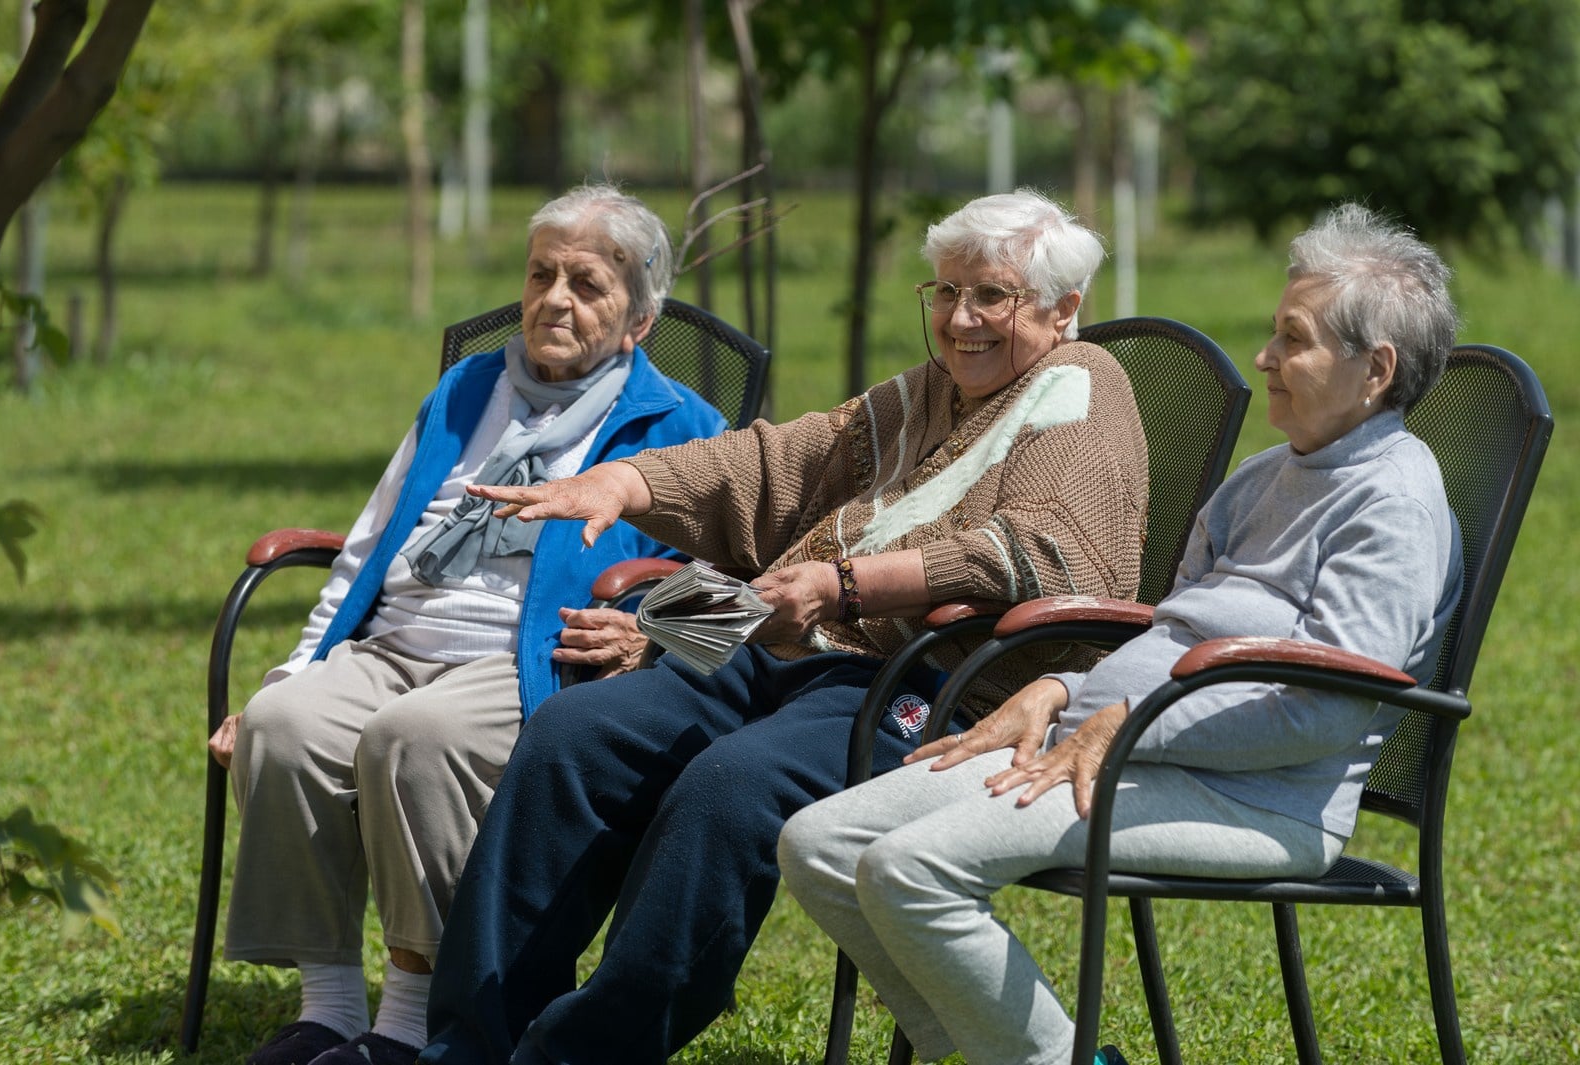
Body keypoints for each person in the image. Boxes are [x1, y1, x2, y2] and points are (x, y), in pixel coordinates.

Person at [418, 188, 1149, 1065]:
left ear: (1063, 309)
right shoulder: (929, 391)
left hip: (935, 684)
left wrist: (848, 585)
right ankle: (467, 1046)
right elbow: (781, 459)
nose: (961, 319)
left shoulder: (1081, 383)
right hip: (788, 647)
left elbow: (1045, 550)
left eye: (991, 295)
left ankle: (578, 1054)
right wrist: (625, 484)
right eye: (948, 292)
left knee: (730, 787)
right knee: (573, 735)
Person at [777, 202, 1465, 1065]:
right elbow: (1168, 629)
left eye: (1293, 340)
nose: (1264, 357)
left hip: (1257, 796)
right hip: (1113, 745)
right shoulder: (1266, 477)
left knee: (910, 869)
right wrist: (1061, 687)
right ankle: (1005, 1051)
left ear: (1376, 370)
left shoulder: (1392, 505)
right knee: (821, 842)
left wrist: (1130, 724)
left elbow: (1327, 705)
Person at [205, 184, 727, 1065]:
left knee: (415, 738)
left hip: (526, 662)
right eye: (541, 274)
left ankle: (413, 1022)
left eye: (587, 284)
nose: (554, 298)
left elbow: (729, 583)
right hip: (397, 639)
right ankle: (327, 1010)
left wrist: (646, 632)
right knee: (283, 725)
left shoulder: (683, 425)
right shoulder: (466, 387)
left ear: (639, 320)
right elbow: (368, 545)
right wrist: (295, 670)